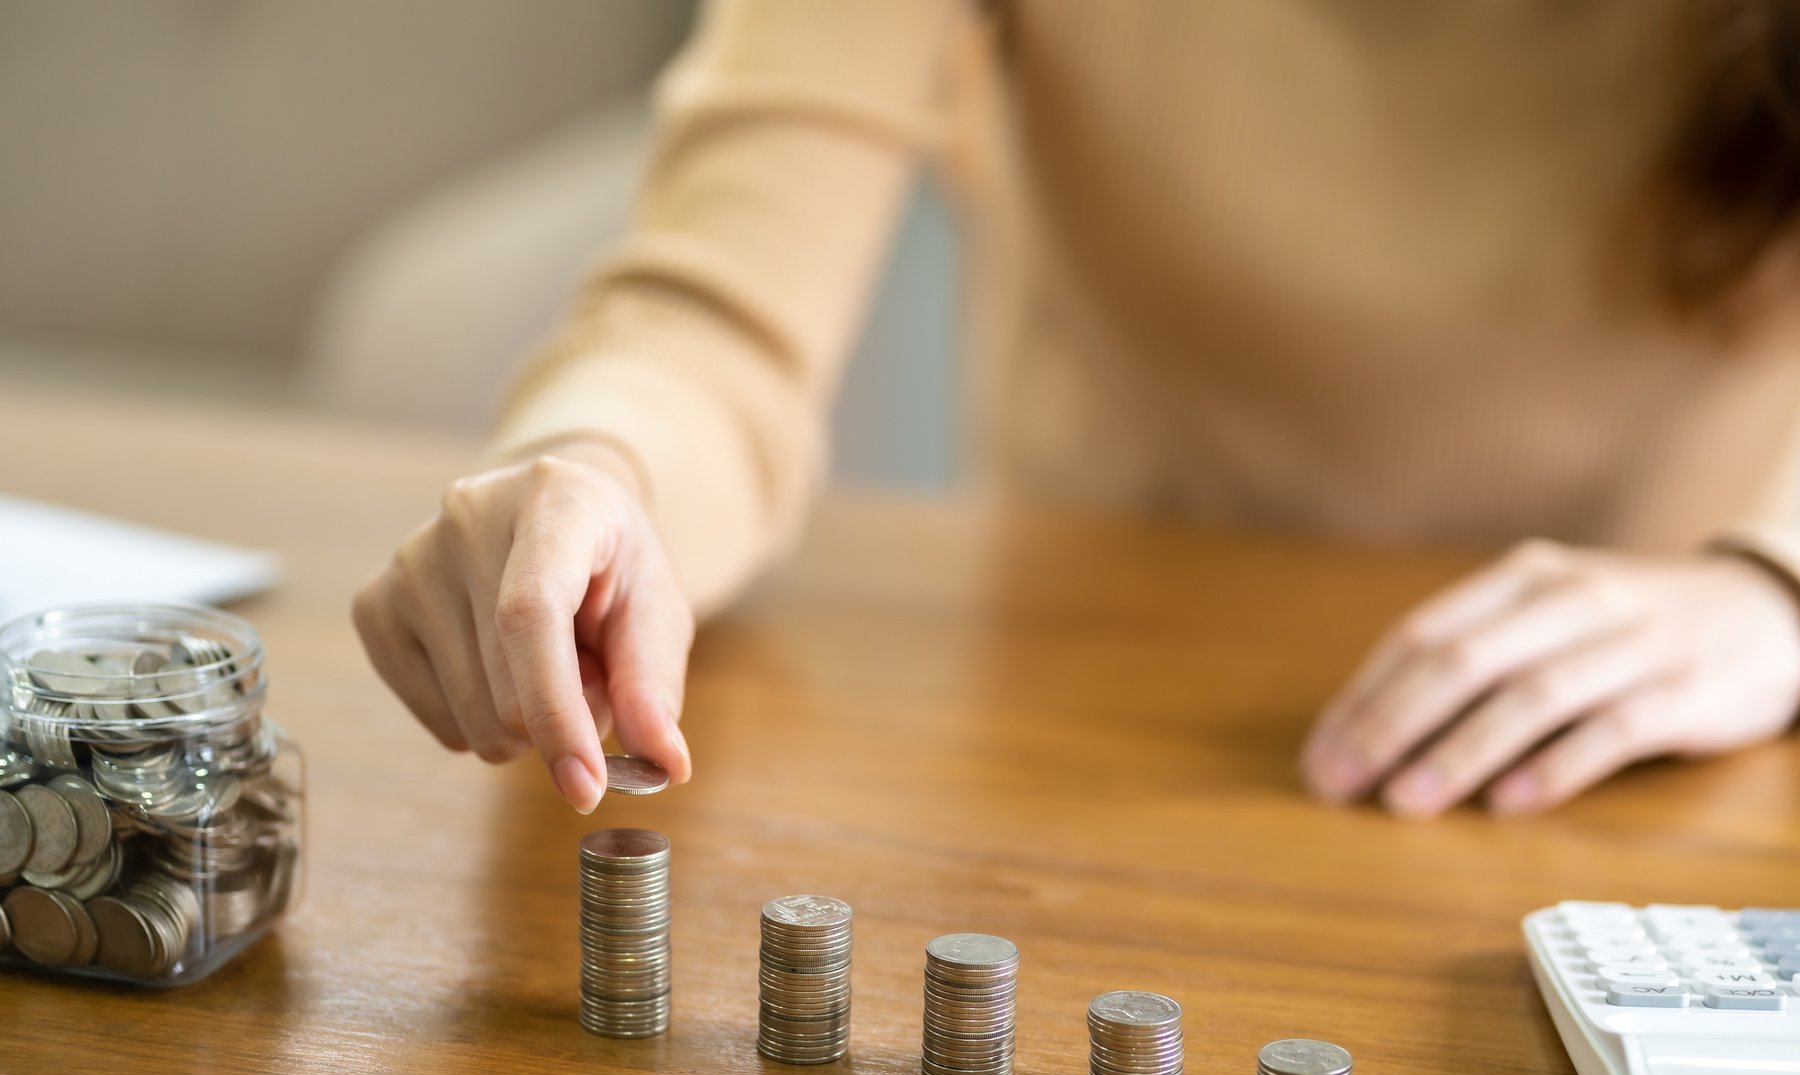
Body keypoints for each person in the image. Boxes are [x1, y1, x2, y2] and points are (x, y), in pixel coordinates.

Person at [353, 1, 1800, 820]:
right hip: (1085, 734)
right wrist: (593, 475)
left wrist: (1772, 591)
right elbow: (712, 320)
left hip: (1671, 770)